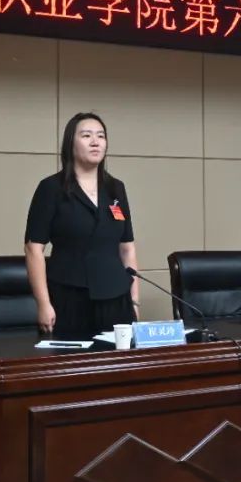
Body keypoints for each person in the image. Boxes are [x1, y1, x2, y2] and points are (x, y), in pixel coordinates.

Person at [24, 112, 140, 339]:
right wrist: (43, 304)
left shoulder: (116, 188)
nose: (95, 142)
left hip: (116, 298)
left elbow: (127, 248)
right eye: (86, 136)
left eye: (101, 136)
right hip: (69, 298)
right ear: (70, 143)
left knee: (118, 361)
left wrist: (134, 301)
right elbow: (33, 248)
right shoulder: (51, 188)